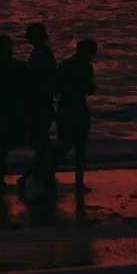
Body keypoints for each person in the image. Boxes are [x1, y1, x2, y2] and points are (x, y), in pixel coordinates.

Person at [0, 34, 31, 185]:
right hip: (10, 110)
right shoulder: (19, 66)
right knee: (3, 145)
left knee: (0, 145)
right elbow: (26, 89)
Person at [52, 39, 99, 190]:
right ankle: (79, 182)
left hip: (64, 108)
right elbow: (88, 89)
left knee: (64, 146)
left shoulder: (65, 65)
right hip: (78, 108)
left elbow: (56, 88)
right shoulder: (86, 67)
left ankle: (47, 173)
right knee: (80, 147)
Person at [22, 22, 60, 185]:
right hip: (41, 99)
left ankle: (38, 172)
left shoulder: (42, 54)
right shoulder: (42, 52)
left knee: (40, 138)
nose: (26, 37)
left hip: (39, 100)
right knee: (40, 138)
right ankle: (41, 171)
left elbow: (42, 79)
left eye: (29, 34)